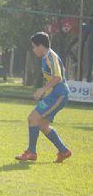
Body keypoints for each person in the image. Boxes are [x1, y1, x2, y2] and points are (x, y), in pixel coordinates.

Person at [15, 32, 71, 163]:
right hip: (54, 95)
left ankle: (31, 152)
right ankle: (64, 151)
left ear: (41, 46)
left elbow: (58, 77)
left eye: (34, 47)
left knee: (32, 118)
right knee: (42, 125)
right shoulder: (46, 57)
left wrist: (42, 90)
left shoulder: (51, 56)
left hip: (58, 95)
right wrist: (44, 91)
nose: (33, 50)